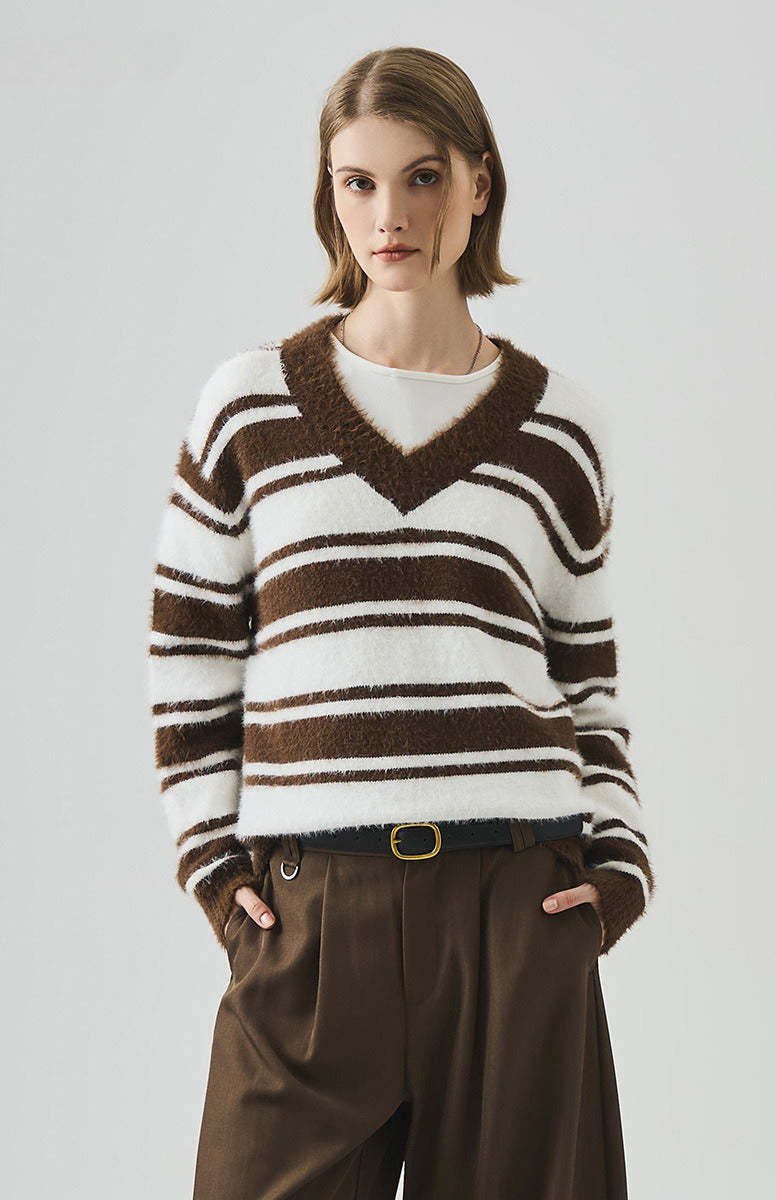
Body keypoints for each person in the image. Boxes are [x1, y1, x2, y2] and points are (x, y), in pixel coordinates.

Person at [147, 44, 656, 1200]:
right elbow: (189, 659)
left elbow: (583, 679)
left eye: (422, 177)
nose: (390, 215)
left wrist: (615, 867)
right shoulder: (247, 408)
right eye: (358, 181)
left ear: (478, 182)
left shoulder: (560, 428)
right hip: (311, 910)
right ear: (328, 196)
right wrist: (214, 866)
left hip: (514, 906)